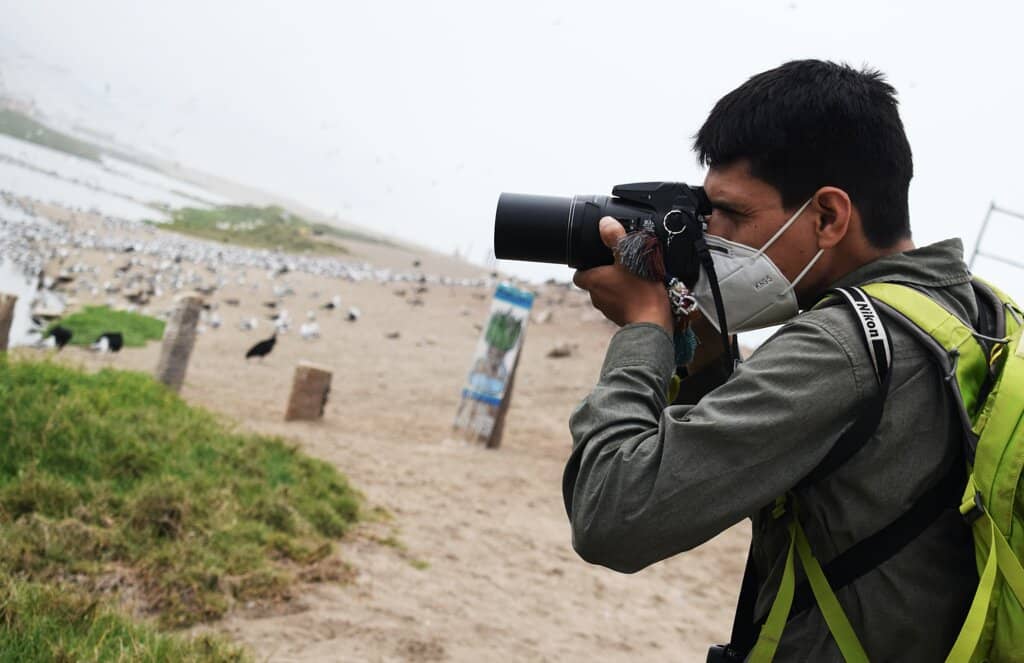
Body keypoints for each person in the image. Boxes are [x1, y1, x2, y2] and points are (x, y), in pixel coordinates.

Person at [565, 59, 977, 661]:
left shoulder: (842, 347)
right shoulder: (968, 313)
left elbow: (612, 514)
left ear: (829, 216)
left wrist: (644, 329)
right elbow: (742, 466)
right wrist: (701, 345)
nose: (715, 237)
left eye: (733, 215)